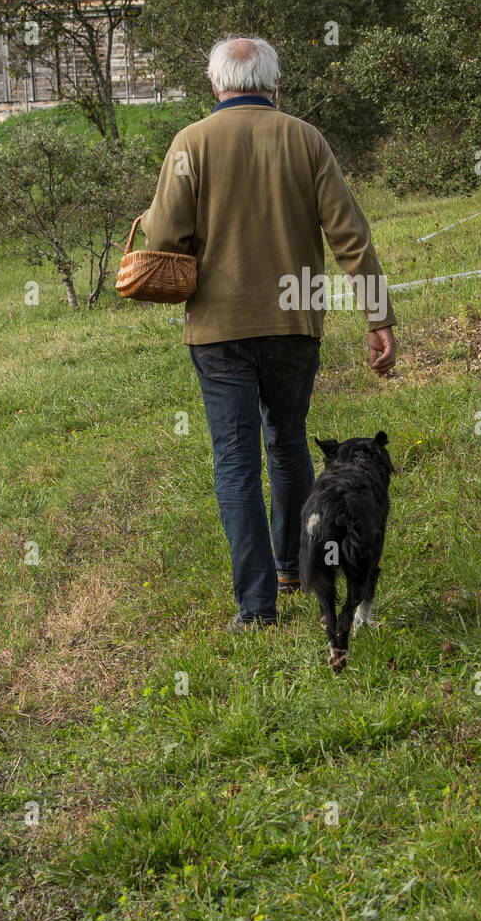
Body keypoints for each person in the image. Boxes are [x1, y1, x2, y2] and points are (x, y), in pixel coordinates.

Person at [140, 36, 397, 629]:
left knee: (235, 459)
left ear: (215, 85)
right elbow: (351, 236)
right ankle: (294, 567)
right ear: (272, 81)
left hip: (218, 326)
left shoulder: (190, 144)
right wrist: (378, 316)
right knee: (286, 442)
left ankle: (255, 608)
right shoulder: (306, 140)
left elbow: (162, 244)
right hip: (295, 320)